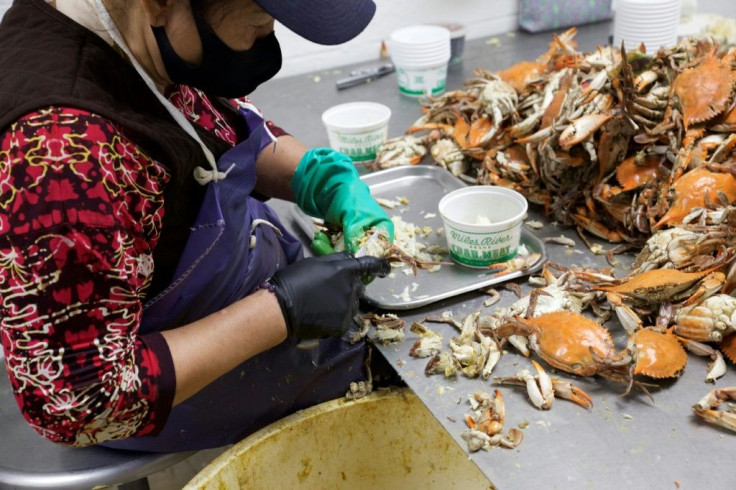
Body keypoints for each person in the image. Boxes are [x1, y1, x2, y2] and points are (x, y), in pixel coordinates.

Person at [0, 0, 396, 452]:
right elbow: (83, 403)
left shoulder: (131, 31)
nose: (267, 43)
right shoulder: (61, 160)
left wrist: (317, 177)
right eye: (258, 23)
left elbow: (210, 121)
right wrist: (281, 311)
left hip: (243, 298)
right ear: (159, 5)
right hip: (179, 398)